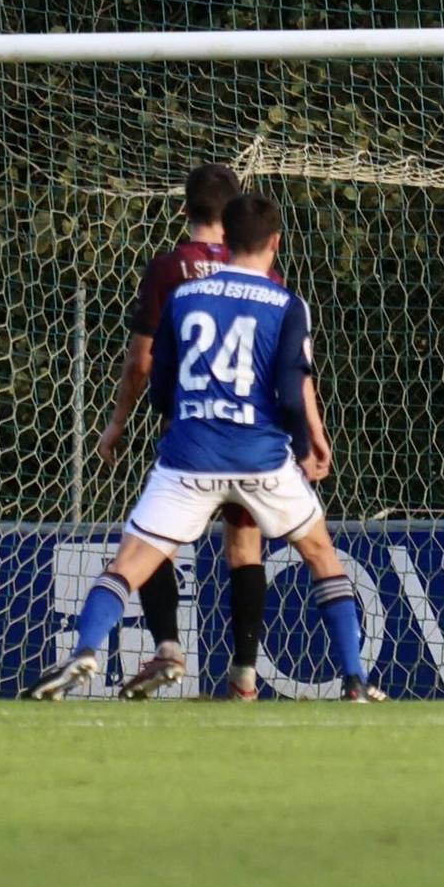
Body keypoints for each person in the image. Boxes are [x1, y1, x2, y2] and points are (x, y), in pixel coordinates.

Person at [26, 192, 384, 703]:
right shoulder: (286, 303)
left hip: (189, 458)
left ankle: (84, 650)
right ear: (276, 243)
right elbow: (290, 388)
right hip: (262, 459)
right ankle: (353, 679)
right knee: (321, 555)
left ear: (225, 238)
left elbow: (161, 382)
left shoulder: (185, 297)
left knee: (128, 563)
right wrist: (306, 446)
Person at [89, 163, 273, 700]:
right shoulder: (261, 273)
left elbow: (141, 361)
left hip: (188, 435)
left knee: (155, 541)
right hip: (249, 435)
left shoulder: (170, 268)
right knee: (245, 547)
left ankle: (168, 646)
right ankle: (244, 673)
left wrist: (118, 421)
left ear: (184, 209)